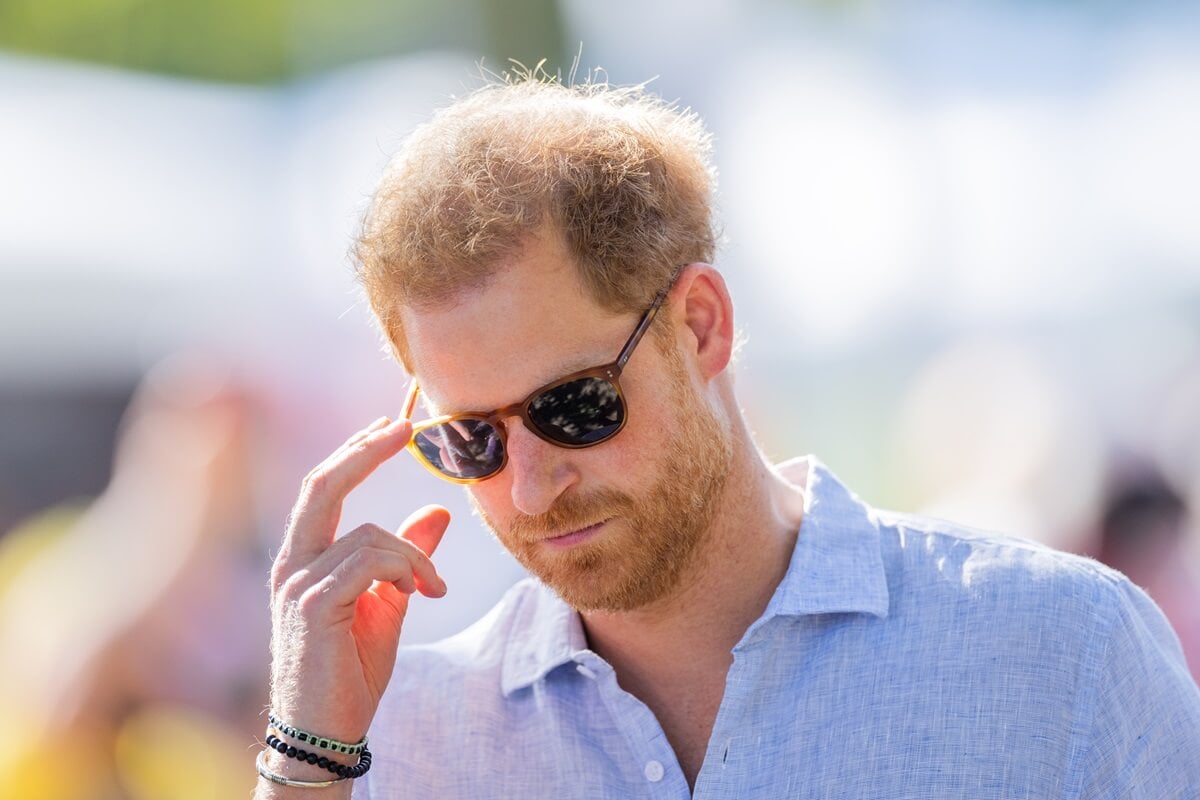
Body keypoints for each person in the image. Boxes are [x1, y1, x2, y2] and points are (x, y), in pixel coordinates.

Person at [256, 76, 1200, 799]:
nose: (531, 487)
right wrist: (306, 761)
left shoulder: (1064, 653)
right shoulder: (389, 739)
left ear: (700, 325)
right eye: (471, 440)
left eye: (573, 406)